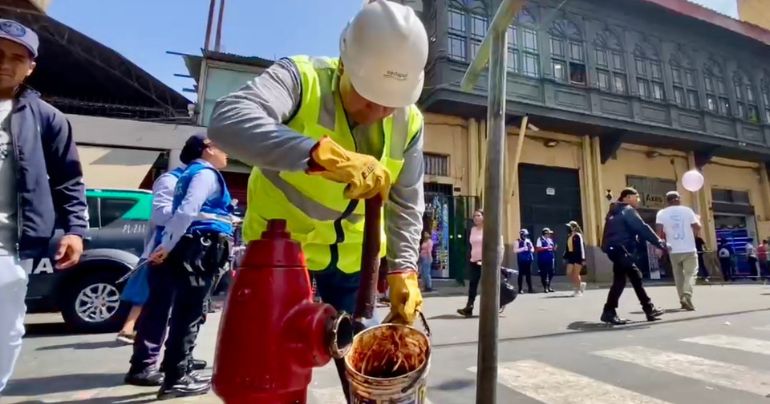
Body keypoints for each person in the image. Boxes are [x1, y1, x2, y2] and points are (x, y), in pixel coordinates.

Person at [207, 1, 428, 397]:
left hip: (353, 267)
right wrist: (320, 155)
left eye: (390, 101)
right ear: (345, 64)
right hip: (281, 262)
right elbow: (227, 121)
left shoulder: (410, 121)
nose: (379, 111)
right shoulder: (301, 78)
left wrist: (404, 269)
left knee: (376, 380)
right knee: (268, 382)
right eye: (369, 96)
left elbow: (406, 202)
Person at [0, 19, 86, 393]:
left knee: (5, 331)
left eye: (17, 57)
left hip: (7, 249)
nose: (6, 64)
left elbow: (68, 179)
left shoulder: (47, 119)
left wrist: (75, 230)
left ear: (30, 66)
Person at [144, 134, 234, 399]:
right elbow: (187, 211)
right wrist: (168, 245)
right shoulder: (205, 174)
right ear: (207, 150)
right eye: (221, 147)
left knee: (186, 312)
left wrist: (168, 245)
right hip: (200, 248)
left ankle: (178, 370)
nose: (226, 153)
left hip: (191, 247)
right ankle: (176, 378)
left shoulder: (189, 174)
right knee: (189, 313)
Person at [117, 164, 186, 344]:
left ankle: (131, 329)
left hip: (158, 248)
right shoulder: (171, 181)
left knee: (146, 294)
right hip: (160, 249)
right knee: (148, 293)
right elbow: (160, 218)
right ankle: (132, 331)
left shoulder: (178, 181)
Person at [600, 188, 667, 324]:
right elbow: (642, 228)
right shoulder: (627, 210)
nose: (638, 200)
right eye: (636, 197)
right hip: (621, 249)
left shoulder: (614, 211)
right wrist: (659, 242)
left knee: (635, 276)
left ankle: (649, 309)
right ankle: (608, 311)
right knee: (620, 281)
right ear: (627, 197)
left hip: (615, 248)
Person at [655, 191, 700, 311]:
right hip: (689, 248)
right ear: (678, 199)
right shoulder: (687, 211)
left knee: (678, 275)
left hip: (673, 249)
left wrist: (659, 247)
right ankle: (687, 295)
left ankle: (682, 299)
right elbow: (698, 226)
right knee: (691, 273)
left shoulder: (661, 213)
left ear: (667, 201)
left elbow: (658, 232)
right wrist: (693, 234)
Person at [458, 209, 484, 317]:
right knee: (472, 285)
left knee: (488, 286)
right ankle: (469, 307)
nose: (475, 218)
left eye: (478, 215)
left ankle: (493, 307)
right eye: (474, 216)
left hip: (485, 262)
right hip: (474, 261)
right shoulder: (473, 229)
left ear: (484, 217)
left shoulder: (488, 229)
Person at [564, 221, 586, 296]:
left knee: (576, 274)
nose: (568, 228)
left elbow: (581, 247)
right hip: (571, 256)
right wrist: (565, 256)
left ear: (573, 227)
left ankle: (577, 290)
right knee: (569, 272)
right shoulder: (570, 236)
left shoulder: (578, 235)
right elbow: (568, 247)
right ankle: (581, 285)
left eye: (569, 226)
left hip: (578, 256)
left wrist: (583, 258)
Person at [535, 228, 556, 293]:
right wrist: (547, 248)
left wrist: (554, 248)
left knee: (551, 273)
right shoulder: (540, 239)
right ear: (545, 233)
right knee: (543, 273)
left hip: (550, 258)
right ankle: (545, 287)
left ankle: (549, 286)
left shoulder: (550, 240)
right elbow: (538, 249)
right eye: (548, 233)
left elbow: (552, 248)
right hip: (543, 259)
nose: (550, 234)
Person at [516, 229, 535, 293]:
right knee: (520, 275)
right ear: (521, 235)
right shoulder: (517, 241)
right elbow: (515, 250)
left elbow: (532, 249)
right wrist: (523, 248)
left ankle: (530, 288)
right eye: (524, 235)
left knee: (528, 275)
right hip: (521, 260)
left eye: (526, 235)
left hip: (528, 259)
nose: (525, 236)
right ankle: (520, 289)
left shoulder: (528, 241)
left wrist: (530, 249)